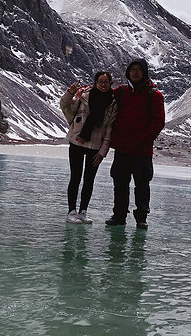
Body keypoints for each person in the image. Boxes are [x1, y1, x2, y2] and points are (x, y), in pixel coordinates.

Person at [105, 58, 165, 229]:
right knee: (120, 184)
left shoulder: (154, 95)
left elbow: (158, 122)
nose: (135, 72)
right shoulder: (122, 91)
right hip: (123, 149)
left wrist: (142, 140)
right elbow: (104, 95)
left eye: (139, 69)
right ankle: (119, 215)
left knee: (142, 185)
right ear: (128, 73)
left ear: (144, 72)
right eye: (132, 69)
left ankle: (141, 218)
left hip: (141, 151)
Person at [60, 71, 118, 224]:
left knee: (89, 180)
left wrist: (102, 153)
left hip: (95, 146)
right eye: (100, 81)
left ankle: (83, 211)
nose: (103, 84)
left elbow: (109, 130)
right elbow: (64, 105)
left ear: (110, 84)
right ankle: (71, 211)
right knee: (76, 177)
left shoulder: (113, 103)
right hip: (77, 142)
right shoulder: (83, 96)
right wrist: (70, 93)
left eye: (106, 82)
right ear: (95, 83)